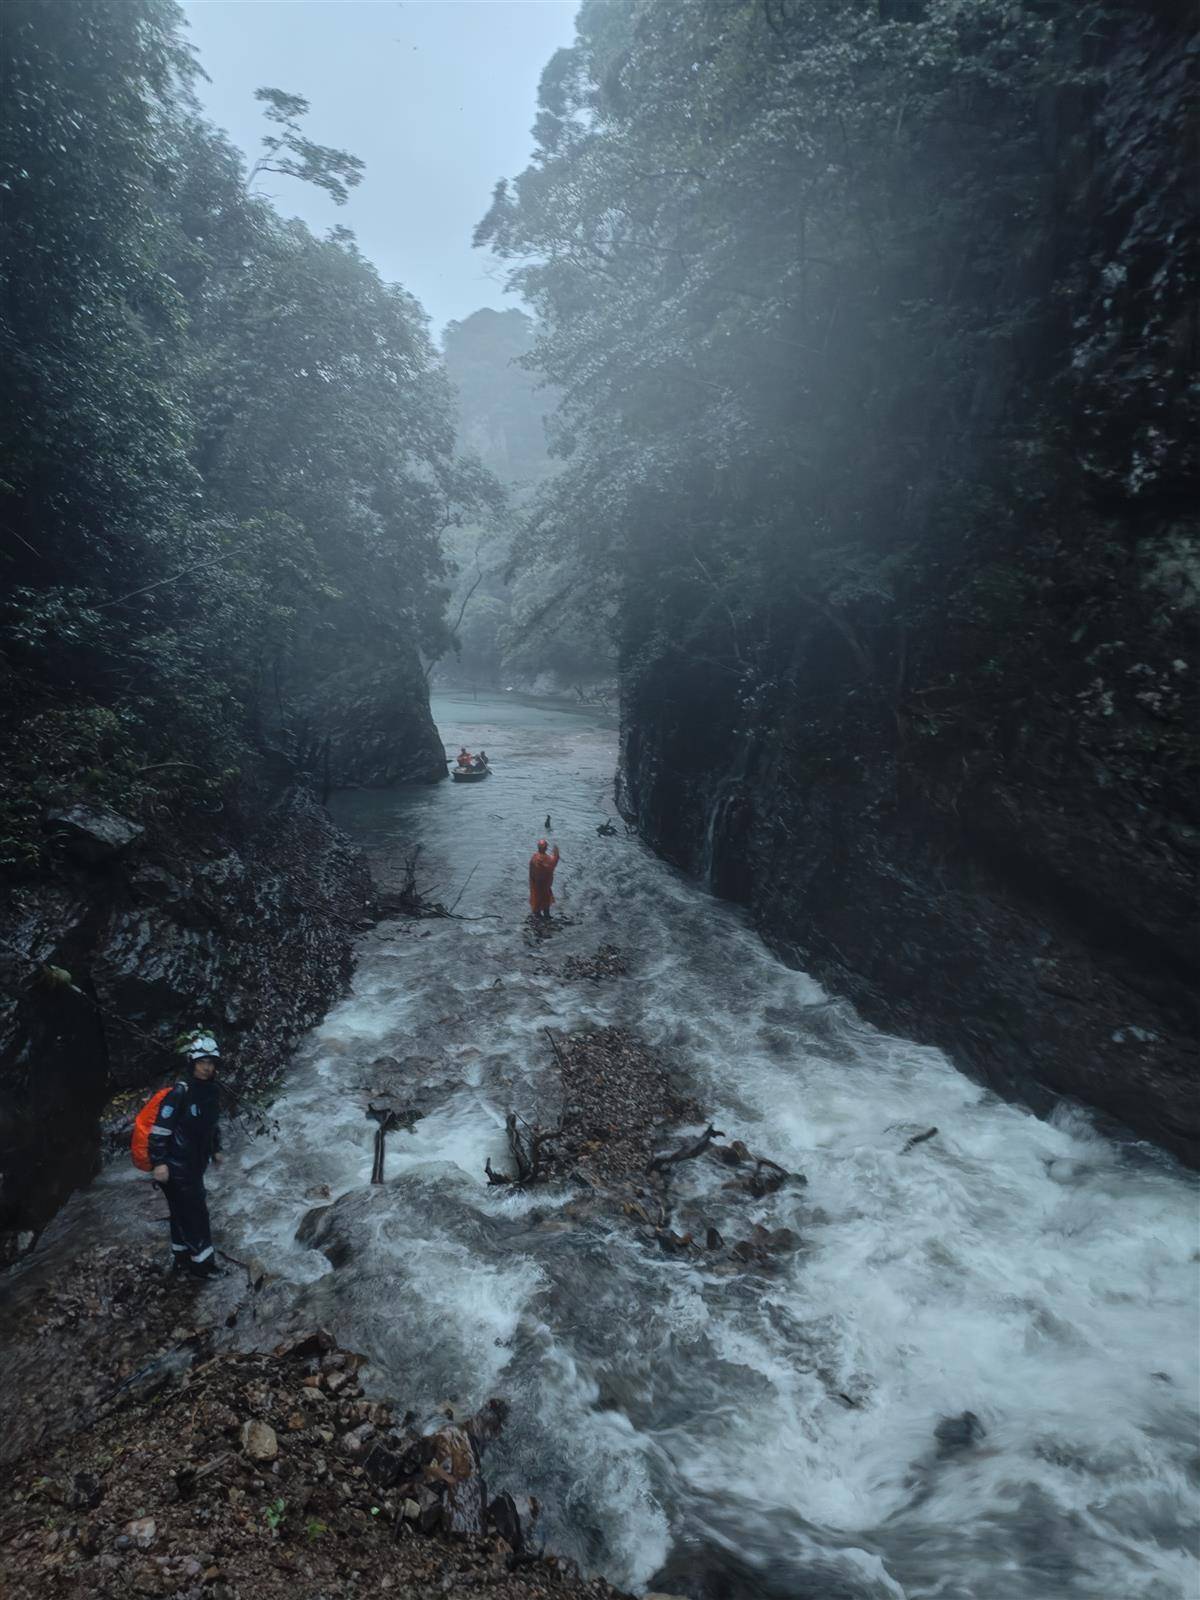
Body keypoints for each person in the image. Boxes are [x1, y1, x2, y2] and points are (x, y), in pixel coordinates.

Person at [149, 1030, 224, 1279]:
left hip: (194, 1163)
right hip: (176, 1164)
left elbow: (210, 1125)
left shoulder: (210, 1091)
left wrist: (216, 1149)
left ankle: (181, 1259)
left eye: (210, 1063)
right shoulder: (180, 1092)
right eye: (202, 1062)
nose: (207, 1067)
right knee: (196, 1213)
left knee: (181, 1212)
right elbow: (160, 1129)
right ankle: (203, 1266)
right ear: (192, 1063)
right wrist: (159, 1162)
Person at [529, 837, 560, 919]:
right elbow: (553, 863)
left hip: (536, 884)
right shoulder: (547, 859)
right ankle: (546, 916)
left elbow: (531, 871)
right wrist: (556, 853)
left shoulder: (534, 857)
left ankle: (537, 916)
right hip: (544, 885)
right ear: (546, 848)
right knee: (545, 900)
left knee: (537, 900)